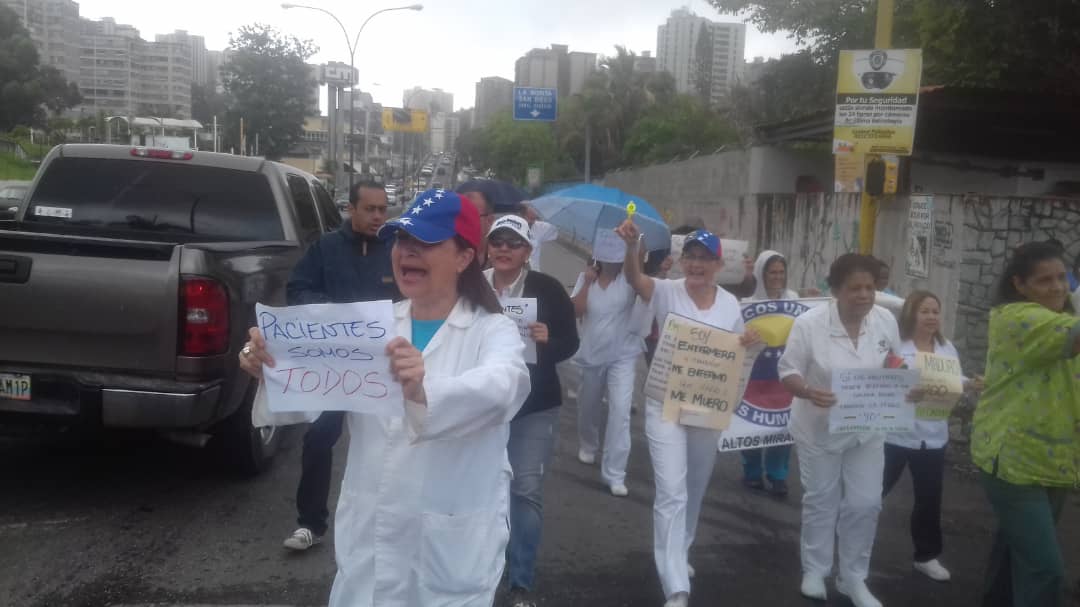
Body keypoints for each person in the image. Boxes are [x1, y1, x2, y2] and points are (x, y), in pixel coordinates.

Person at [238, 189, 531, 606]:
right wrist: (269, 366)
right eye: (402, 239)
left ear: (465, 257)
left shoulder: (492, 330)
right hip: (370, 540)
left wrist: (422, 389)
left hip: (447, 546)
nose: (407, 252)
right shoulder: (371, 326)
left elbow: (505, 387)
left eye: (426, 243)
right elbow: (312, 395)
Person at [614, 221, 760, 607]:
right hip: (666, 403)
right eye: (690, 258)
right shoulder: (666, 291)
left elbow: (738, 353)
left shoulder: (731, 304)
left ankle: (682, 548)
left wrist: (749, 341)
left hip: (707, 409)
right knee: (672, 491)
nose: (695, 265)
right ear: (681, 261)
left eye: (703, 259)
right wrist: (632, 250)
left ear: (716, 264)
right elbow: (635, 280)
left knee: (694, 486)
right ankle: (675, 582)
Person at [778, 253, 903, 607]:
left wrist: (903, 379)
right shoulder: (809, 324)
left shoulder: (884, 321)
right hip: (818, 427)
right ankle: (815, 569)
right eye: (855, 288)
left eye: (870, 287)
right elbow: (788, 371)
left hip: (867, 426)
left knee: (865, 503)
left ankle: (853, 578)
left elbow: (894, 361)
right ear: (835, 290)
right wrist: (806, 391)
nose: (864, 295)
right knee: (821, 500)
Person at [280, 179, 400, 551]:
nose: (378, 216)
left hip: (382, 367)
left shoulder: (396, 249)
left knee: (391, 444)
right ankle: (310, 524)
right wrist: (332, 311)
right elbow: (296, 289)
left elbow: (413, 296)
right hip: (336, 366)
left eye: (383, 209)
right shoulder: (325, 248)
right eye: (370, 209)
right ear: (351, 209)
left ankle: (389, 524)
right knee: (319, 437)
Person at [971, 242, 1080, 607]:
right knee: (1045, 569)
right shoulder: (1017, 317)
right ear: (1019, 285)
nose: (1057, 287)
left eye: (1062, 278)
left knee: (1016, 552)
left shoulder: (1063, 317)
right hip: (1013, 460)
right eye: (1044, 280)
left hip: (1055, 458)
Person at [482, 215, 579, 607]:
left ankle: (520, 581)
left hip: (535, 405)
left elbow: (571, 343)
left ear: (527, 251)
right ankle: (483, 572)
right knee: (484, 490)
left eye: (513, 242)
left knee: (524, 490)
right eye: (497, 241)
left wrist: (548, 339)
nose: (504, 248)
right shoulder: (471, 286)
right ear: (488, 247)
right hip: (485, 406)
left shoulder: (548, 289)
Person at [882, 290, 983, 582]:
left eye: (935, 311)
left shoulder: (946, 348)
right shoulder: (897, 346)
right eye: (925, 311)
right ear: (912, 313)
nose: (931, 317)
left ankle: (926, 556)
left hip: (933, 437)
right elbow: (883, 382)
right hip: (895, 435)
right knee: (872, 495)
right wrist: (904, 390)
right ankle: (849, 546)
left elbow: (952, 381)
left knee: (929, 500)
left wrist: (971, 384)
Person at [571, 246, 645, 497]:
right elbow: (576, 311)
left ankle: (615, 473)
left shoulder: (629, 280)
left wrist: (635, 245)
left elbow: (643, 282)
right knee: (588, 404)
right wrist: (587, 282)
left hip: (623, 355)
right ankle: (589, 444)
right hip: (592, 353)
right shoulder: (586, 277)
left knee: (621, 411)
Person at [738, 250, 799, 496]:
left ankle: (778, 476)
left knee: (782, 426)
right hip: (755, 375)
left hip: (784, 375)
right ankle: (752, 472)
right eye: (772, 272)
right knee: (749, 425)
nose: (777, 277)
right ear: (762, 274)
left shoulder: (795, 300)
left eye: (781, 272)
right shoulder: (748, 304)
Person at [520, 203, 559, 272]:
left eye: (533, 219)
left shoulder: (541, 227)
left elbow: (556, 227)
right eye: (528, 218)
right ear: (522, 215)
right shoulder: (512, 226)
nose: (531, 222)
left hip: (533, 271)